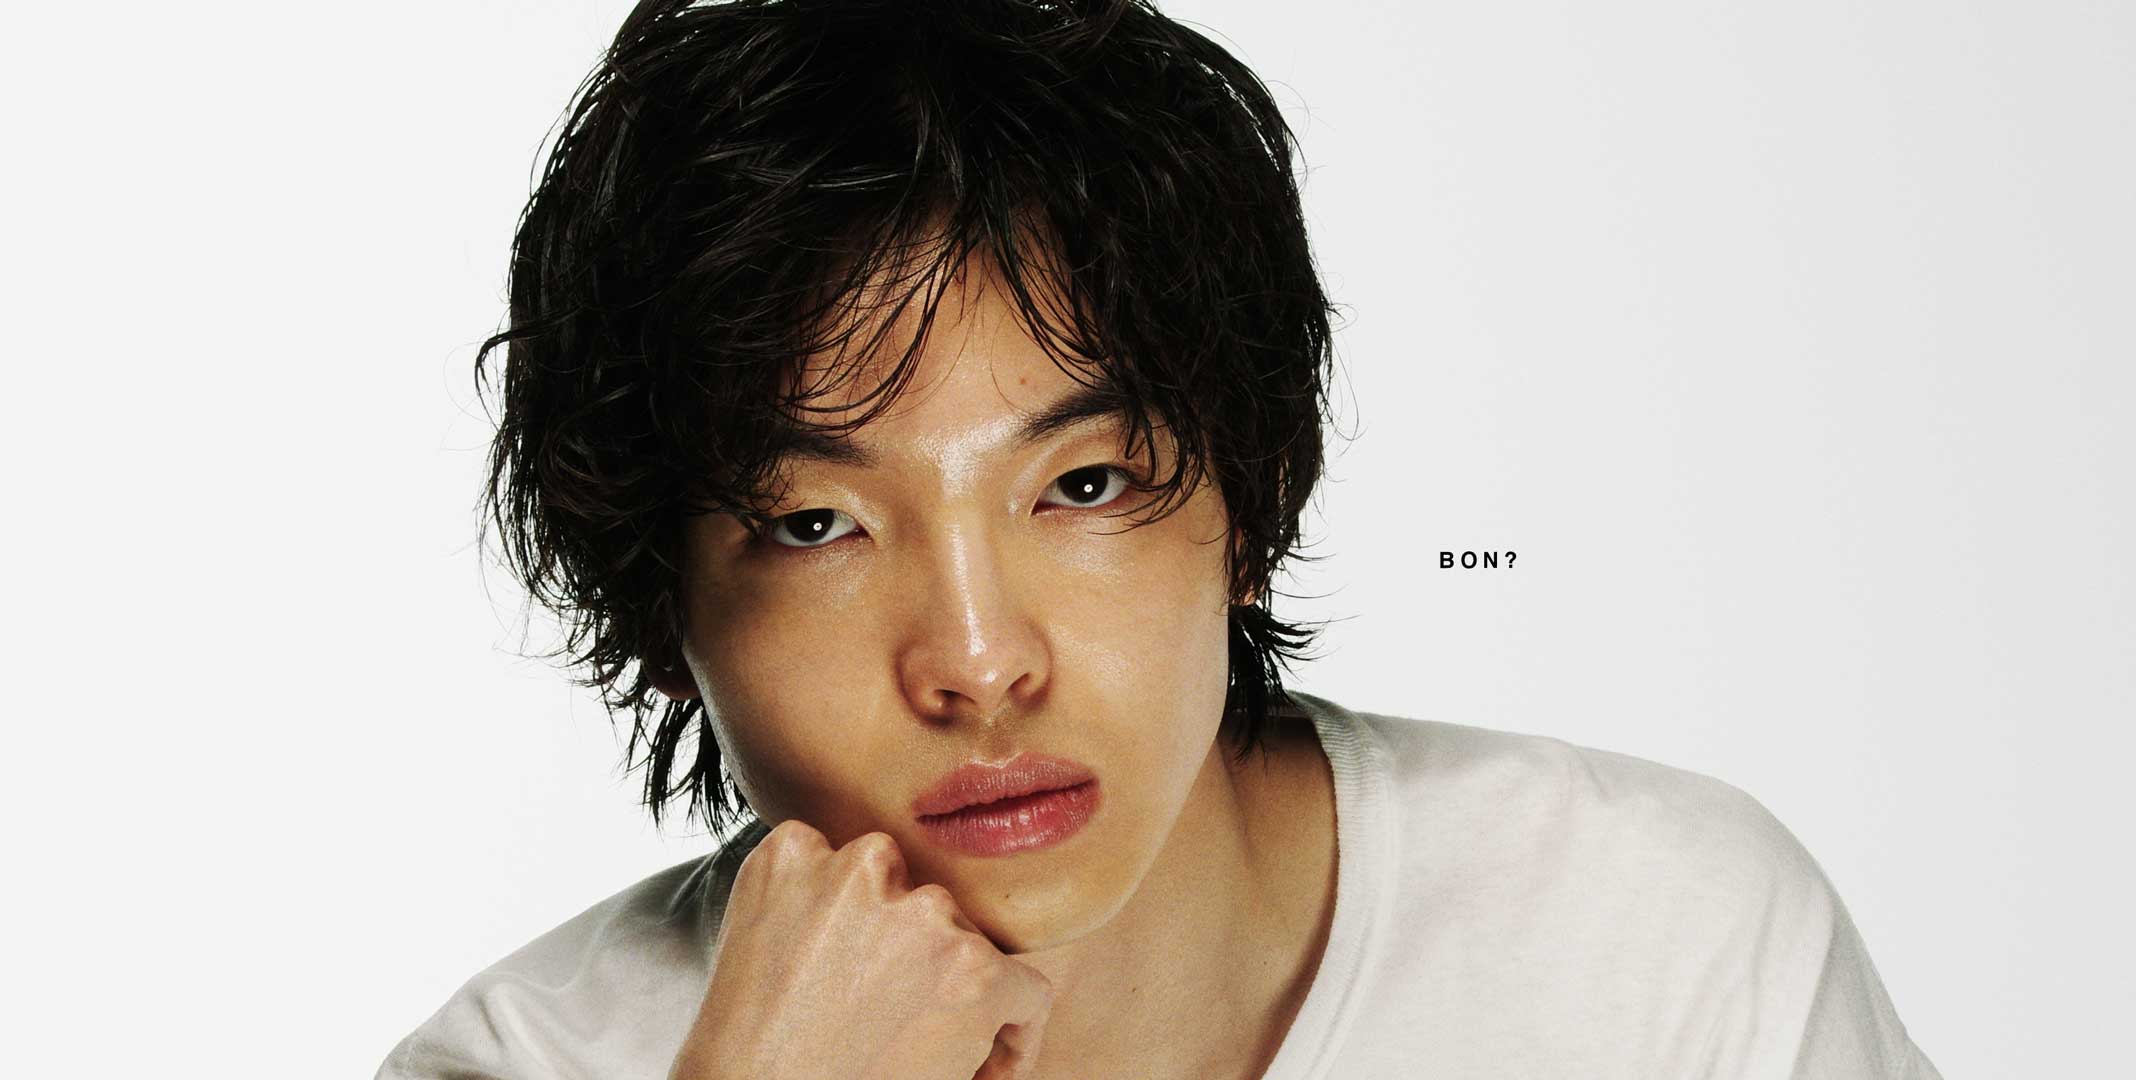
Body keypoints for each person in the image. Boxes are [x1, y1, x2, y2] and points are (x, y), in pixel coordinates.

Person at [378, 0, 1942, 1076]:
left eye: (1081, 487)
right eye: (815, 522)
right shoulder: (537, 1062)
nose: (980, 662)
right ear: (665, 613)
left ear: (1245, 504)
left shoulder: (1654, 940)